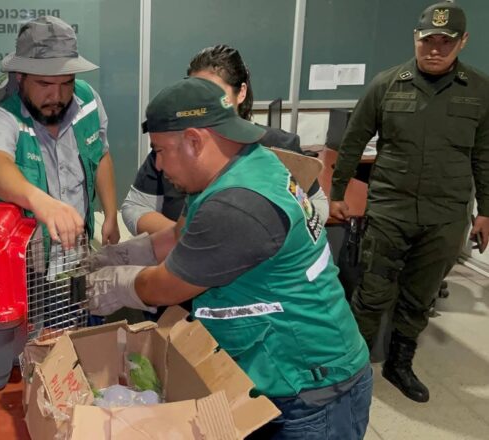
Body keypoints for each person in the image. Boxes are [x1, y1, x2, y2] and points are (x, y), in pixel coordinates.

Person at [87, 77, 372, 439]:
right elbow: (179, 237)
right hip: (274, 368)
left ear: (194, 140)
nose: (156, 165)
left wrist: (113, 285)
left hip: (310, 390)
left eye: (159, 150)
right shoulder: (240, 167)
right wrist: (119, 255)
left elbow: (167, 286)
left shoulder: (238, 204)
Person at [330, 1, 489, 403]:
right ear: (415, 39)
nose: (434, 49)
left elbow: (484, 155)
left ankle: (401, 365)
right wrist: (336, 193)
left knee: (420, 297)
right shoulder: (386, 85)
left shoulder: (481, 91)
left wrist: (485, 210)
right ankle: (354, 368)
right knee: (371, 293)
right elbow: (351, 143)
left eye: (445, 41)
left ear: (462, 42)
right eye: (427, 40)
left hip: (445, 215)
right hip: (390, 211)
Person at [121, 45, 328, 236]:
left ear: (241, 93)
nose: (204, 102)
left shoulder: (276, 151)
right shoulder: (171, 152)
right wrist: (184, 235)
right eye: (195, 94)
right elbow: (136, 207)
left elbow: (315, 211)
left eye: (213, 93)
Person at [0, 16, 119, 250]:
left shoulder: (88, 99)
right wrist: (41, 202)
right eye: (44, 85)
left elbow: (101, 154)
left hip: (77, 248)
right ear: (20, 76)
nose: (57, 96)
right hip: (25, 258)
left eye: (66, 83)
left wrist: (110, 214)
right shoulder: (0, 113)